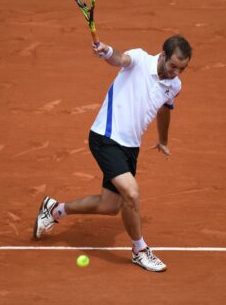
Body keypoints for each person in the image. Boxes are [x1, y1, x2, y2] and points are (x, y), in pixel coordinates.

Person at [33, 35, 192, 272]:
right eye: (173, 66)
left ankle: (55, 210)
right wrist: (107, 52)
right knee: (131, 192)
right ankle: (140, 250)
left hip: (130, 147)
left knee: (109, 205)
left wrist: (163, 140)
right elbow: (120, 58)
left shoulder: (174, 86)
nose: (176, 73)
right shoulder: (139, 59)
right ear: (162, 56)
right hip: (106, 138)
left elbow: (165, 111)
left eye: (182, 69)